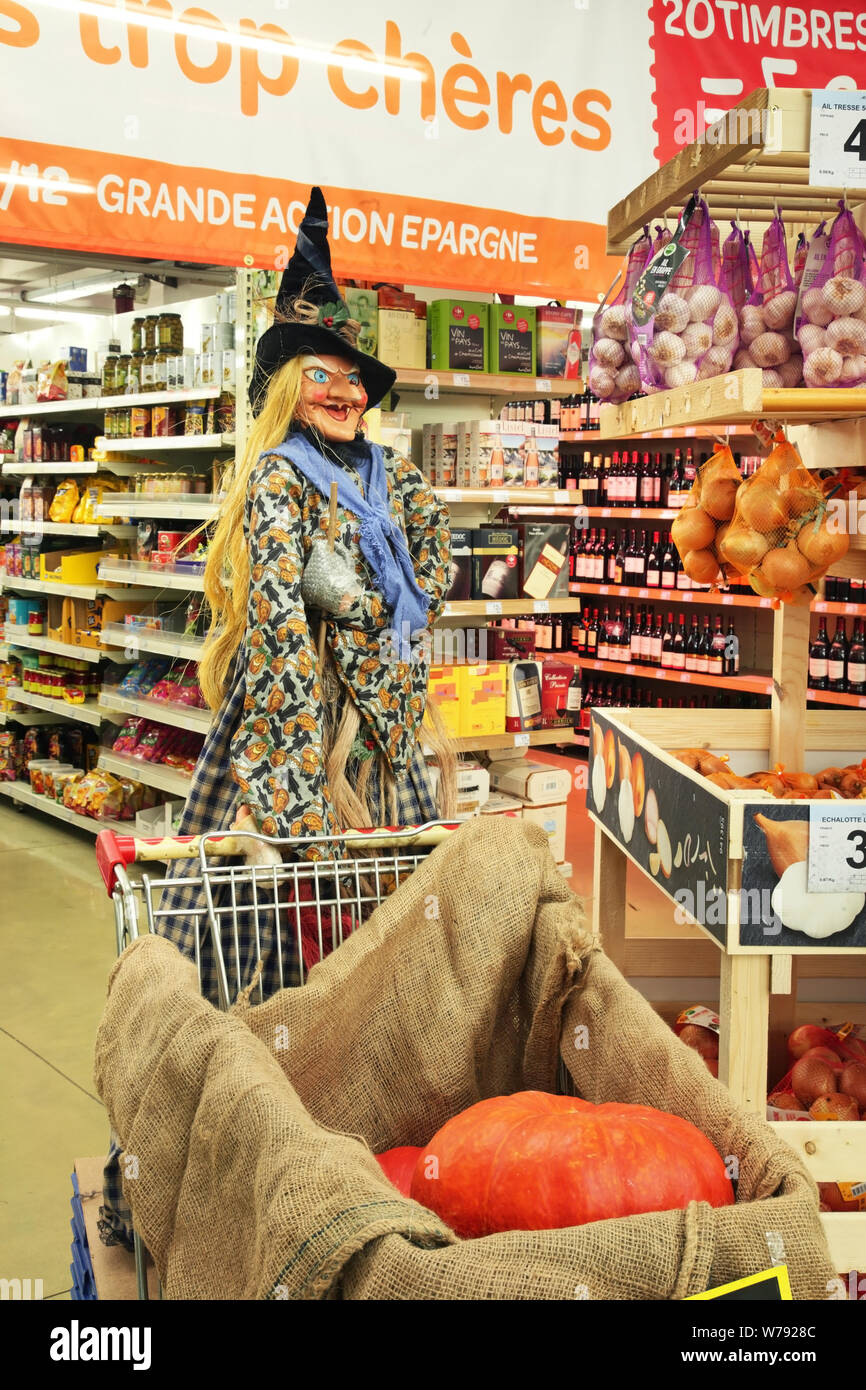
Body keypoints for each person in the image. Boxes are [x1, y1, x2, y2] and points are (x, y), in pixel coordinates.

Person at [98, 187, 454, 1249]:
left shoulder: (389, 479)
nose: (343, 390)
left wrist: (368, 585)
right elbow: (282, 629)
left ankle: (366, 1168)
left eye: (354, 376)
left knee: (380, 953)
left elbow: (425, 562)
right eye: (321, 373)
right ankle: (238, 1180)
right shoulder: (274, 484)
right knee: (265, 954)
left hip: (384, 752)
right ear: (283, 387)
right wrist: (293, 792)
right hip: (296, 749)